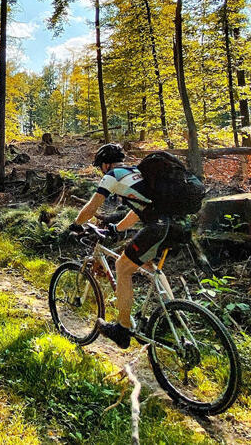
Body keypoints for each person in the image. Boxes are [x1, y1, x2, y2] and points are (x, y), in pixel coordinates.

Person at [70, 143, 181, 349]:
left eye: (99, 167)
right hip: (176, 224)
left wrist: (76, 224)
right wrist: (117, 228)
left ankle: (122, 328)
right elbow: (139, 210)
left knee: (122, 267)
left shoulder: (113, 175)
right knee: (149, 266)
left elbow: (92, 207)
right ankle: (173, 313)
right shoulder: (137, 172)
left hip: (157, 225)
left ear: (105, 164)